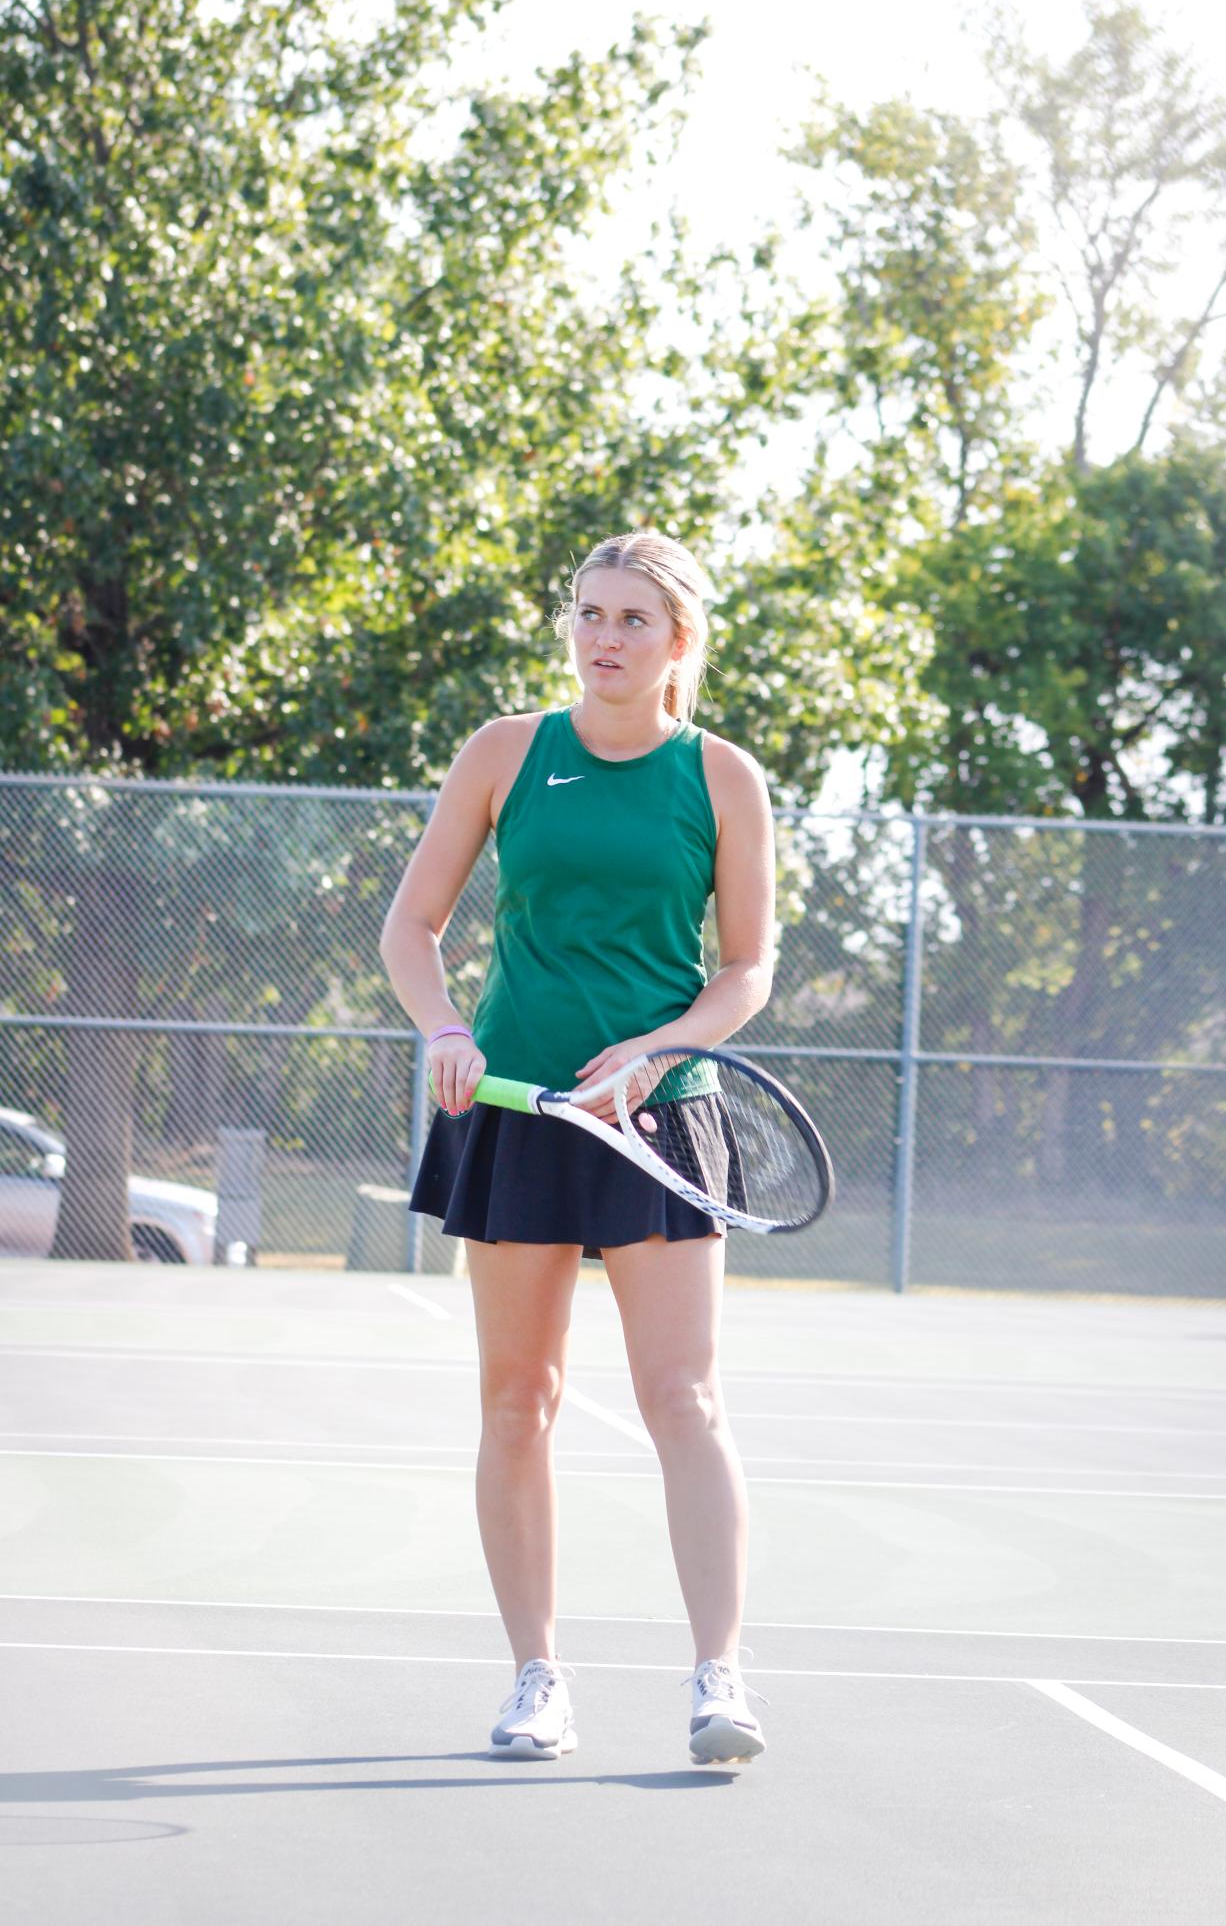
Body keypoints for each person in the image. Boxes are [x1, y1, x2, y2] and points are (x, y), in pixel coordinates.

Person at [379, 530, 776, 1766]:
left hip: (660, 1120)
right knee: (517, 1401)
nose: (604, 638)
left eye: (632, 621)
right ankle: (535, 1677)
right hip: (516, 1107)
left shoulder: (721, 778)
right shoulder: (505, 753)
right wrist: (442, 1025)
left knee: (683, 1399)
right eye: (589, 614)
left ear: (677, 643)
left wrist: (656, 1054)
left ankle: (720, 1678)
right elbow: (412, 924)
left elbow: (745, 970)